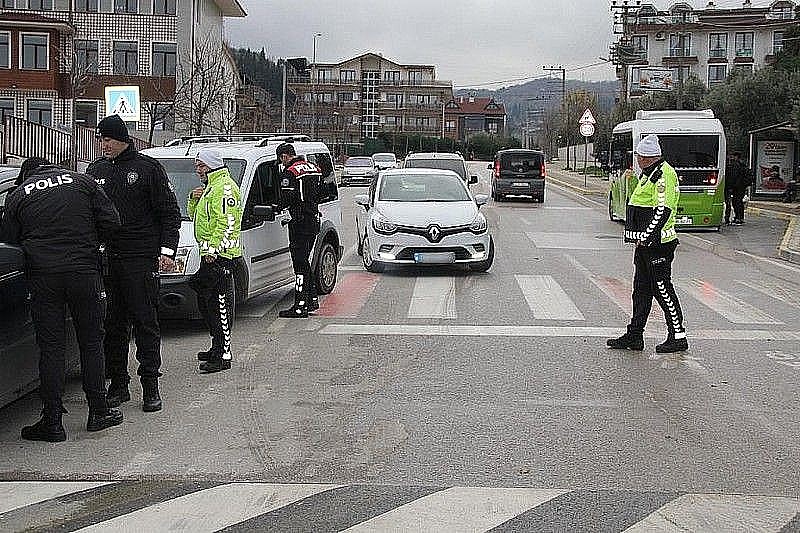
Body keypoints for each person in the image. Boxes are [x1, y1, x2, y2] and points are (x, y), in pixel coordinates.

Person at [0, 158, 123, 442]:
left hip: (43, 277)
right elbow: (112, 221)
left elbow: (9, 238)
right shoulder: (83, 182)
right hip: (83, 272)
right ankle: (99, 411)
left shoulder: (19, 194)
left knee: (51, 348)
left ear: (27, 175)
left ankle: (52, 421)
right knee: (91, 342)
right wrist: (91, 244)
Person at [86, 115, 181, 412]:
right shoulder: (96, 171)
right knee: (112, 325)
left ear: (122, 138)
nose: (104, 145)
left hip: (140, 258)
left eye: (108, 139)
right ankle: (118, 384)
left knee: (145, 323)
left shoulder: (147, 168)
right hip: (108, 260)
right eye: (101, 139)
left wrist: (166, 251)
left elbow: (169, 214)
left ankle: (150, 385)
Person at [607, 134, 688, 354]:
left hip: (658, 244)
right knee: (641, 291)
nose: (637, 159)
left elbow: (663, 210)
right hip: (646, 245)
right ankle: (635, 335)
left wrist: (646, 236)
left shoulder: (663, 175)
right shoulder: (649, 174)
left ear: (647, 157)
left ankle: (678, 335)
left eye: (639, 156)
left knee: (662, 288)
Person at [187, 149, 242, 373]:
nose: (197, 170)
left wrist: (212, 250)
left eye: (201, 165)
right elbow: (197, 219)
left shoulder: (224, 188)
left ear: (212, 166)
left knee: (220, 306)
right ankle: (216, 346)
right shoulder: (211, 188)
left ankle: (223, 355)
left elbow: (228, 224)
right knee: (206, 302)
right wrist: (193, 200)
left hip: (221, 257)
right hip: (210, 255)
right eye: (197, 165)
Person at [275, 143, 321, 318]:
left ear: (284, 156)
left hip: (299, 223)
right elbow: (323, 191)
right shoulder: (313, 168)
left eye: (281, 158)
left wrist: (275, 207)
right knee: (305, 261)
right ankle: (312, 299)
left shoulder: (290, 172)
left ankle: (300, 306)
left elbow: (286, 198)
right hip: (314, 220)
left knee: (300, 264)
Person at [725, 152, 749, 225]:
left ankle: (738, 218)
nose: (732, 158)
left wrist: (730, 187)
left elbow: (733, 177)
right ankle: (739, 217)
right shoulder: (742, 165)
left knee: (736, 202)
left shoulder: (735, 165)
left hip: (737, 187)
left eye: (733, 156)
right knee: (738, 202)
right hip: (741, 187)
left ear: (736, 157)